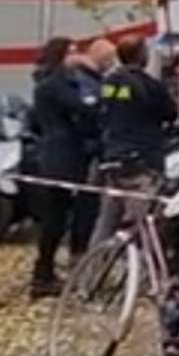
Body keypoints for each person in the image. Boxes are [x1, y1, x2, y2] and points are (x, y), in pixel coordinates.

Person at [27, 36, 100, 298]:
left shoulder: (49, 82)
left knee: (58, 218)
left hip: (60, 155)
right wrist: (95, 74)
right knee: (60, 217)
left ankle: (46, 271)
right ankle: (45, 273)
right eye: (72, 52)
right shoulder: (56, 84)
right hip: (64, 158)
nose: (77, 56)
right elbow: (86, 106)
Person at [92, 35, 178, 245]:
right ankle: (143, 269)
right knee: (145, 224)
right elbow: (170, 113)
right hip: (143, 160)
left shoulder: (109, 83)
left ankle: (92, 268)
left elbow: (107, 107)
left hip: (114, 157)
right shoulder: (150, 86)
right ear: (142, 56)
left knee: (106, 221)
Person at [68, 39, 117, 260]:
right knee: (87, 203)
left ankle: (83, 250)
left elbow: (112, 96)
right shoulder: (86, 80)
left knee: (92, 203)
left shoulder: (95, 80)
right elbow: (94, 107)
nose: (111, 64)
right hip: (89, 150)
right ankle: (81, 251)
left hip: (91, 148)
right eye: (110, 59)